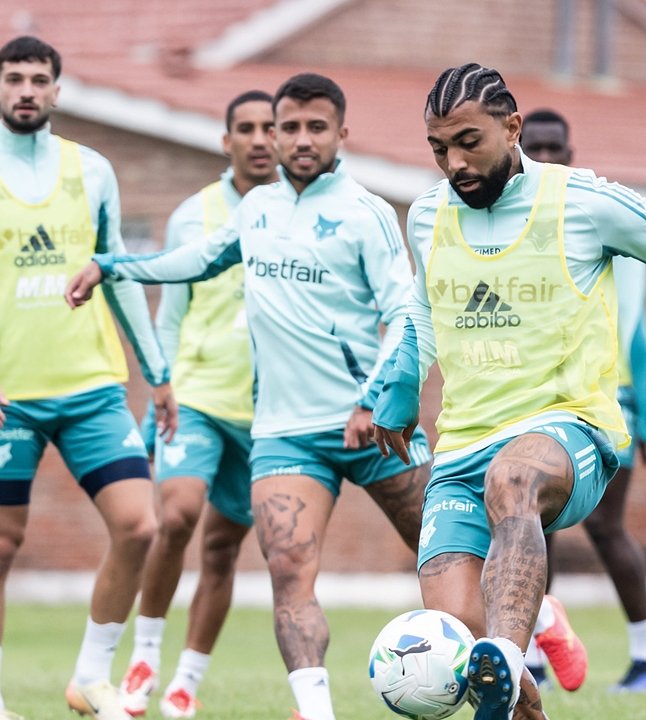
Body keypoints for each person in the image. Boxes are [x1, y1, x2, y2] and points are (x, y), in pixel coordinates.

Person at [371, 64, 646, 720]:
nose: (453, 163)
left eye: (468, 142)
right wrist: (401, 383)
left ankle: (510, 656)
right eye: (438, 149)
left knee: (512, 485)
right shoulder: (428, 215)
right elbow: (424, 315)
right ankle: (517, 679)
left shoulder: (583, 202)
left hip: (569, 431)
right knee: (458, 637)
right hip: (460, 451)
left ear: (513, 126)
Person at [66, 73, 432, 720]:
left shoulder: (366, 213)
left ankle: (535, 623)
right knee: (288, 569)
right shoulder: (257, 209)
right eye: (288, 126)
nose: (298, 139)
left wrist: (377, 397)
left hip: (372, 424)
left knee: (443, 550)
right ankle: (315, 711)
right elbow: (197, 257)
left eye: (315, 127)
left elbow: (404, 316)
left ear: (341, 134)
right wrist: (113, 265)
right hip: (284, 433)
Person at [0, 36, 176, 720]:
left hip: (94, 388)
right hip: (6, 396)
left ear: (58, 91)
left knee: (139, 527)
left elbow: (118, 269)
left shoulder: (92, 170)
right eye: (15, 78)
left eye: (40, 78)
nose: (28, 89)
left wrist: (156, 372)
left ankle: (90, 678)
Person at [117, 90, 277, 719]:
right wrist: (160, 382)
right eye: (247, 128)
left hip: (267, 412)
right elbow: (171, 312)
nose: (261, 139)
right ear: (226, 140)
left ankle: (185, 683)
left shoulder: (297, 214)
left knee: (221, 550)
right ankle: (145, 657)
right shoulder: (195, 215)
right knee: (175, 515)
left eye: (272, 127)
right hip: (197, 397)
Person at [521, 108, 646, 693]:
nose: (543, 157)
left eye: (553, 147)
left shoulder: (598, 219)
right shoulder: (513, 227)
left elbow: (634, 330)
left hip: (608, 410)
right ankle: (534, 652)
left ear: (569, 151)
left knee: (608, 529)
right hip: (538, 406)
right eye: (533, 146)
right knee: (533, 531)